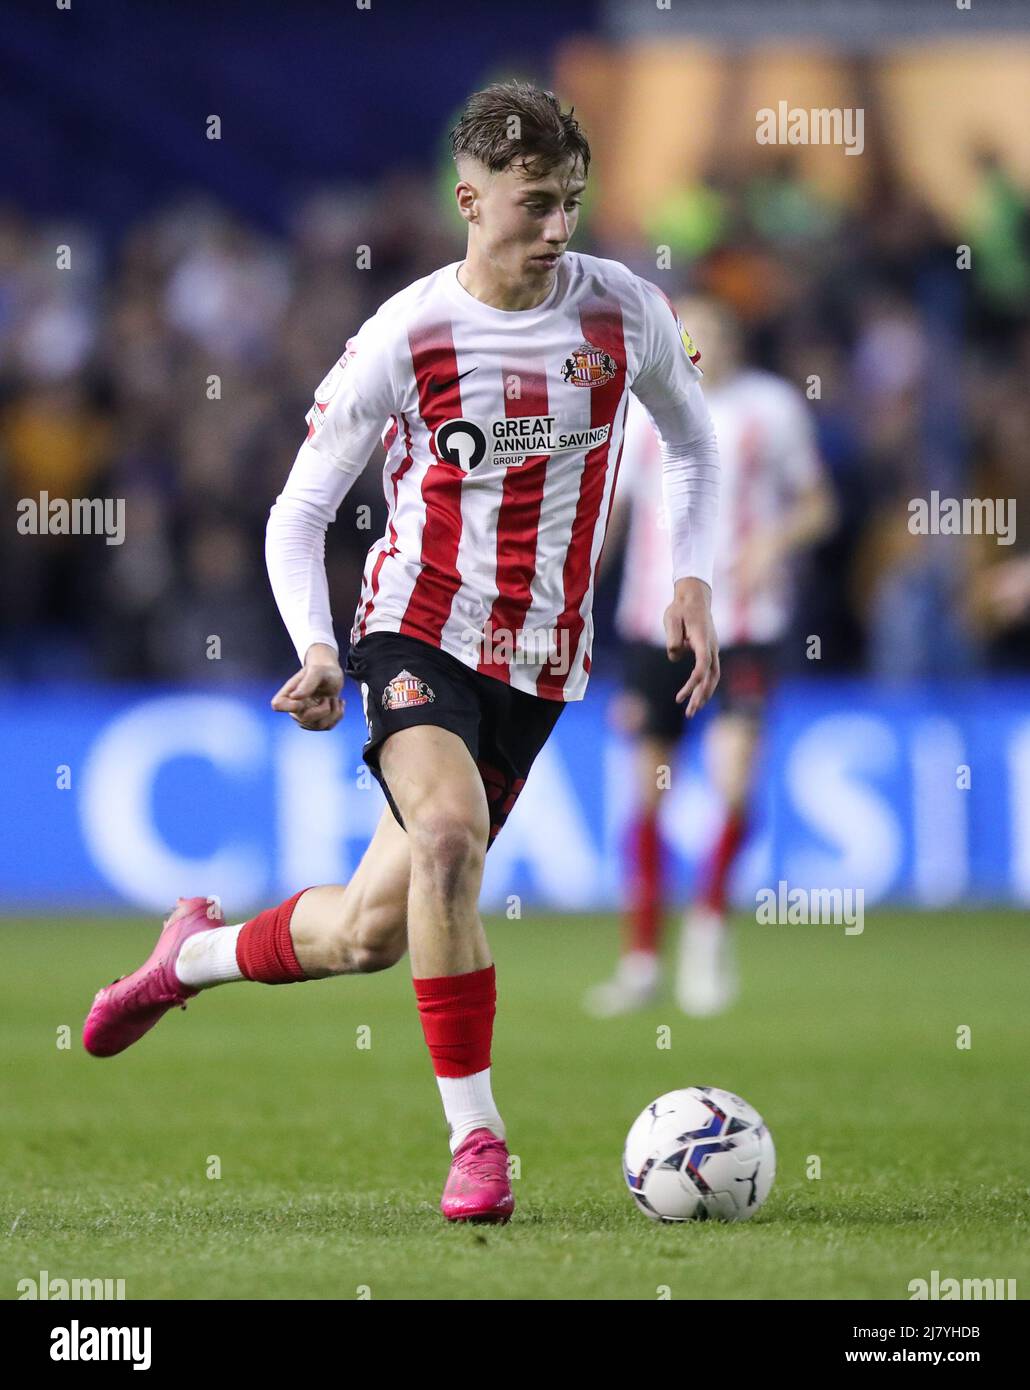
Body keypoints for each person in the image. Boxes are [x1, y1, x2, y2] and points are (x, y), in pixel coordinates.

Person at [83, 81, 721, 1224]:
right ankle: (477, 1140)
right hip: (414, 629)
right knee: (445, 835)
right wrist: (321, 649)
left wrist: (690, 574)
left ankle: (188, 957)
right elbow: (298, 510)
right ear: (468, 199)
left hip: (541, 664)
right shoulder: (409, 332)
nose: (559, 228)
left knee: (372, 931)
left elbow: (692, 441)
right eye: (535, 204)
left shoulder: (622, 312)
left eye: (573, 201)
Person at [586, 295, 835, 1019]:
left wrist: (774, 542)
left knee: (731, 782)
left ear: (737, 338)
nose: (707, 342)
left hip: (745, 624)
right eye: (694, 331)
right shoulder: (639, 409)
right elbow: (614, 516)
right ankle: (640, 960)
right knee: (648, 795)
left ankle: (707, 930)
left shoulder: (772, 408)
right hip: (652, 625)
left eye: (721, 329)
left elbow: (818, 503)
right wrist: (567, 601)